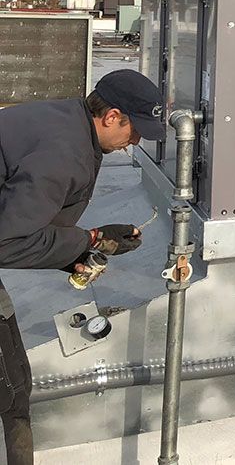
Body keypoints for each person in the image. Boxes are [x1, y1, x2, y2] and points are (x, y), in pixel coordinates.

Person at [0, 70, 164, 465]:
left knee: (14, 383)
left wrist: (78, 253)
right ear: (111, 116)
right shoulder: (65, 152)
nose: (136, 142)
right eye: (135, 130)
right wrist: (90, 240)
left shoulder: (63, 119)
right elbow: (7, 242)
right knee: (11, 390)